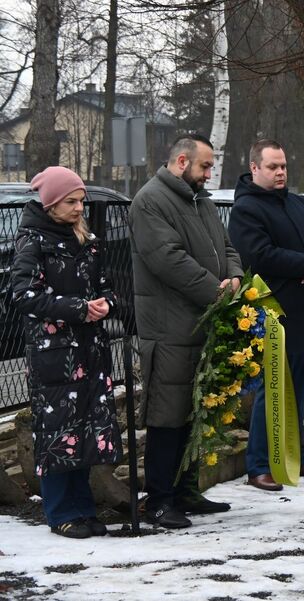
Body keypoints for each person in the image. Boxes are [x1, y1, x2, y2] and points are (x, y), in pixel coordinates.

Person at [129, 134, 241, 528]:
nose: (209, 174)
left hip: (203, 322)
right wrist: (217, 290)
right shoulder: (150, 201)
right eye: (205, 167)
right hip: (170, 328)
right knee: (167, 416)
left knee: (196, 414)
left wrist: (236, 279)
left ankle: (187, 492)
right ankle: (160, 500)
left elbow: (227, 248)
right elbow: (168, 260)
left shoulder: (201, 200)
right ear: (181, 161)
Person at [11, 167, 122, 538]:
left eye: (81, 201)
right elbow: (23, 294)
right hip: (54, 353)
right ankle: (61, 513)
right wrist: (77, 308)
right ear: (51, 203)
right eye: (71, 201)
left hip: (90, 348)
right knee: (58, 430)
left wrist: (109, 303)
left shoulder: (85, 238)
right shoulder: (32, 239)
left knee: (85, 429)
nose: (79, 208)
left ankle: (84, 508)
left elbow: (105, 282)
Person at [228, 140, 304, 489]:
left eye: (283, 166)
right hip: (276, 314)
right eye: (273, 167)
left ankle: (296, 455)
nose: (280, 172)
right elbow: (260, 255)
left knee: (300, 390)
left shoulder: (299, 203)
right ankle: (259, 463)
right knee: (273, 390)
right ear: (254, 168)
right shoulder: (247, 209)